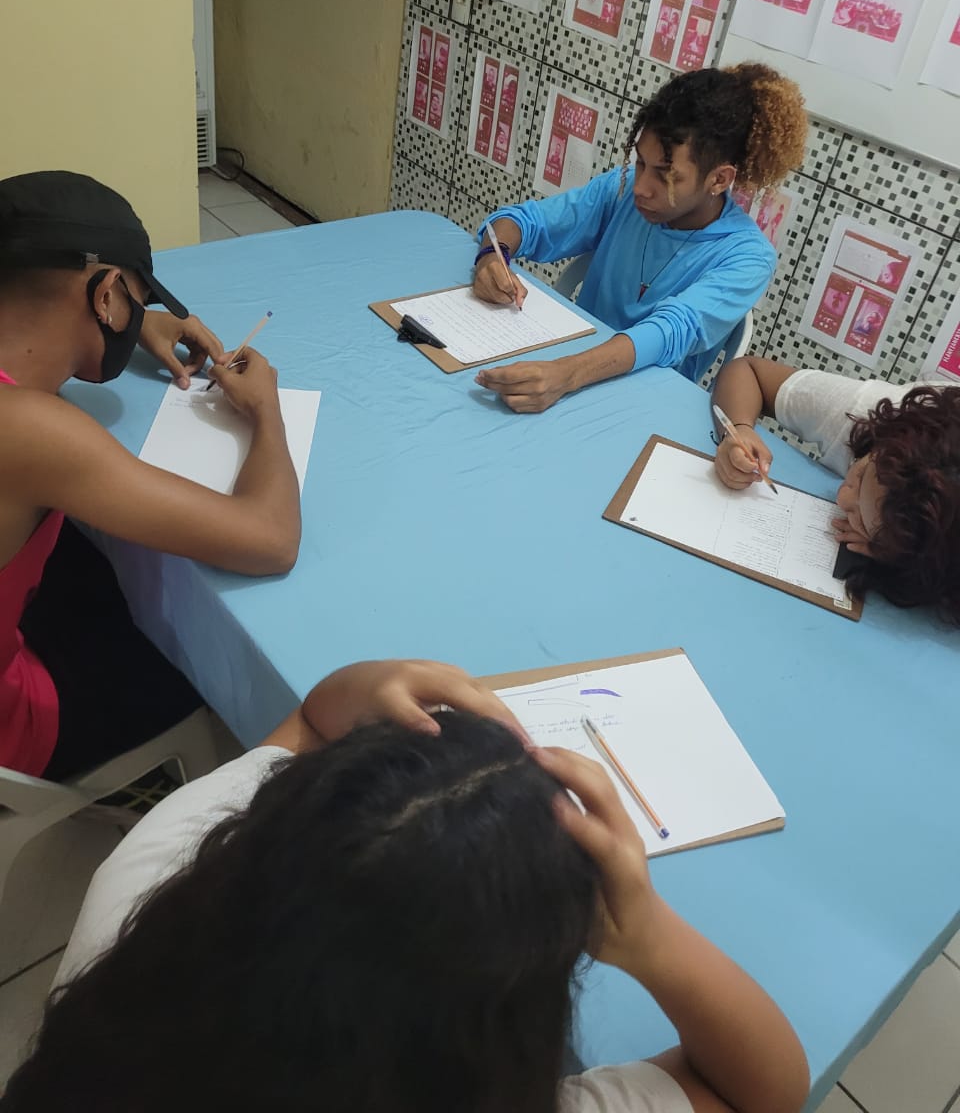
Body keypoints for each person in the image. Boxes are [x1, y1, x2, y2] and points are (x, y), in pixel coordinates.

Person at [2, 660, 810, 1113]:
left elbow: (312, 721)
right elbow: (762, 1093)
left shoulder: (146, 884)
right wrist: (650, 937)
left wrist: (377, 681)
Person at [0, 170, 301, 780]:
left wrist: (135, 325)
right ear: (105, 295)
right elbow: (271, 539)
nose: (137, 316)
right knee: (199, 655)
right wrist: (267, 412)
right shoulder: (31, 430)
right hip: (16, 725)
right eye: (135, 301)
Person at [472, 64, 808, 412]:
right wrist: (492, 257)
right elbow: (526, 221)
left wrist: (567, 374)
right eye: (641, 163)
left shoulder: (748, 257)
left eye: (666, 175)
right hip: (564, 373)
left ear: (719, 179)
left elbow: (669, 331)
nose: (641, 187)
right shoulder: (622, 189)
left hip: (642, 408)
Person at [711, 355, 960, 621]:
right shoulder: (876, 413)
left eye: (862, 519)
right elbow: (748, 371)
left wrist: (894, 563)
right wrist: (738, 429)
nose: (842, 498)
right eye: (860, 474)